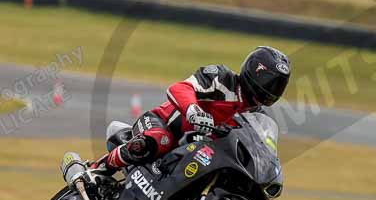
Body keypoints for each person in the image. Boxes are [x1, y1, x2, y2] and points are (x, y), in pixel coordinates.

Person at [90, 46, 291, 172]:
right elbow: (180, 88)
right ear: (254, 70)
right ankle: (97, 169)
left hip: (198, 152)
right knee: (157, 141)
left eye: (277, 85)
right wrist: (194, 110)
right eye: (269, 81)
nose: (271, 89)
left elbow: (265, 147)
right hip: (164, 124)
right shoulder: (222, 79)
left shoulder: (256, 117)